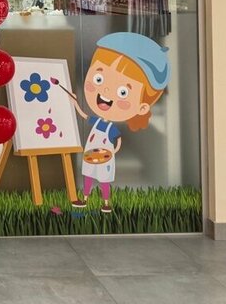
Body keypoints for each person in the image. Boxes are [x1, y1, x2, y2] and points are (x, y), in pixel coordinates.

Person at [61, 32, 170, 213]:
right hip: (90, 155)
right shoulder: (97, 121)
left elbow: (117, 140)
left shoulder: (110, 127)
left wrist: (112, 152)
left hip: (105, 157)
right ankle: (85, 199)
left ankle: (106, 203)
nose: (105, 91)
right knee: (88, 176)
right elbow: (84, 115)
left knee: (104, 181)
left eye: (122, 92)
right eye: (98, 79)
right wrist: (74, 101)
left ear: (142, 107)